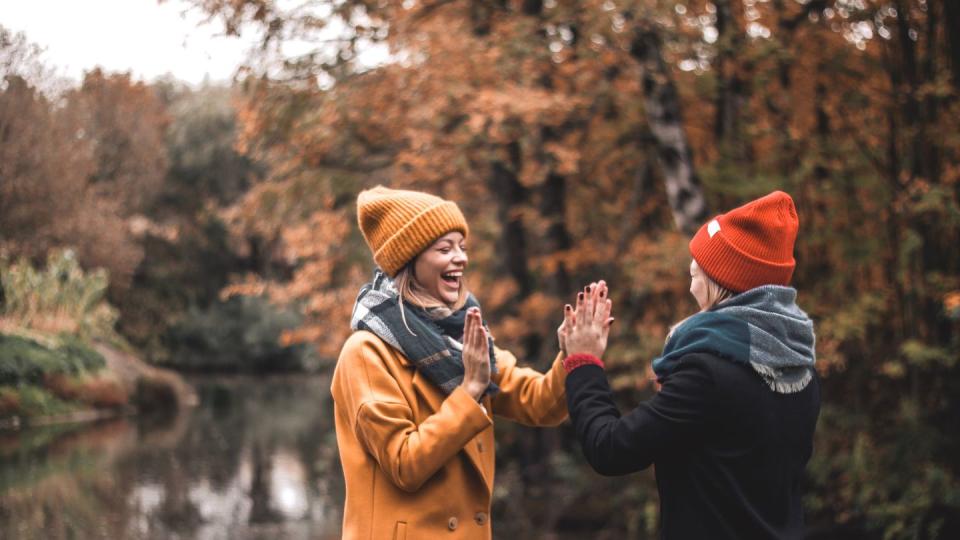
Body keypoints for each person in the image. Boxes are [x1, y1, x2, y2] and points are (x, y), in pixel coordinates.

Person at [561, 191, 820, 539]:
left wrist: (583, 361)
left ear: (725, 280)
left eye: (700, 265)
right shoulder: (800, 365)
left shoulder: (707, 375)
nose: (691, 272)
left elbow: (610, 449)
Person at [330, 186, 569, 539]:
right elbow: (404, 464)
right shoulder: (366, 353)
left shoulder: (461, 336)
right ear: (409, 260)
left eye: (462, 247)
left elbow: (540, 404)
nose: (461, 258)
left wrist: (575, 356)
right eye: (445, 248)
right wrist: (470, 389)